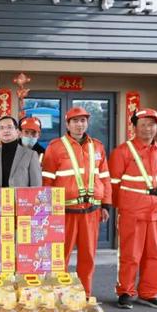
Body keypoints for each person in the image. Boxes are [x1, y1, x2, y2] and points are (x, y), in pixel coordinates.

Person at [41, 107, 112, 297]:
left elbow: (105, 177)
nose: (79, 124)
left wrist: (106, 204)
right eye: (75, 121)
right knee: (60, 256)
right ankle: (58, 295)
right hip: (65, 211)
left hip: (91, 211)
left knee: (88, 256)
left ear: (87, 123)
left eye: (82, 120)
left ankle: (84, 294)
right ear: (67, 124)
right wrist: (48, 209)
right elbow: (46, 180)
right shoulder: (55, 147)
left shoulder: (97, 146)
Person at [109, 108, 157, 309]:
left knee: (155, 254)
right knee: (130, 254)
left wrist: (155, 200)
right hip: (132, 212)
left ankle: (149, 293)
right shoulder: (122, 151)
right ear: (134, 127)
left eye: (152, 124)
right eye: (143, 124)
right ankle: (126, 291)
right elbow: (113, 183)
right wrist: (128, 204)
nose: (148, 128)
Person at [0, 116, 42, 188]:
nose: (6, 130)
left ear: (17, 132)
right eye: (1, 128)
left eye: (9, 127)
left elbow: (36, 187)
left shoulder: (31, 155)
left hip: (22, 199)